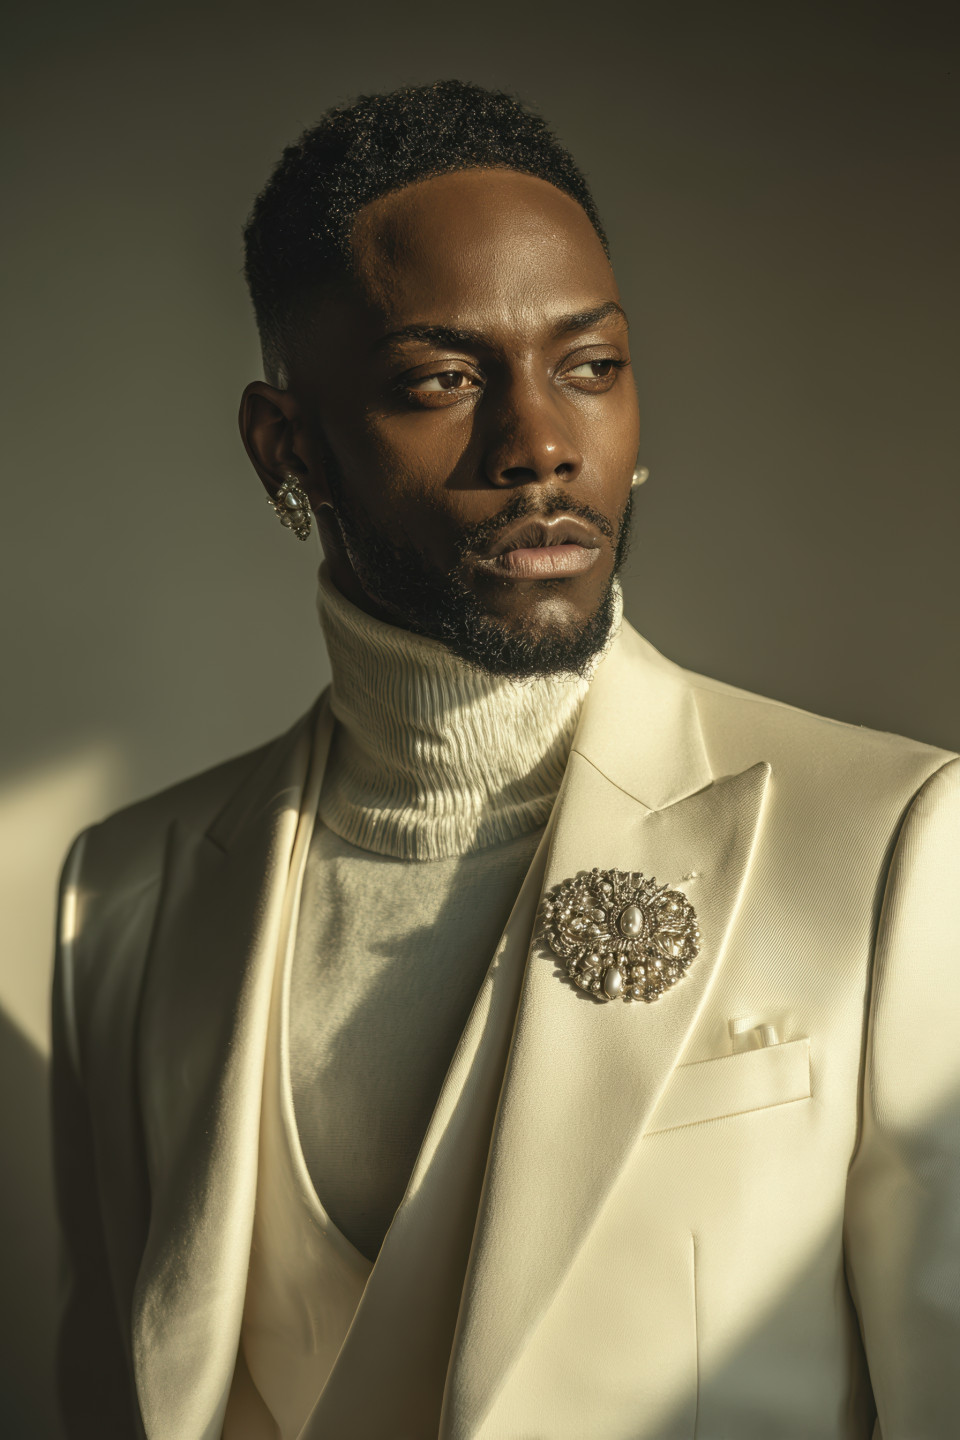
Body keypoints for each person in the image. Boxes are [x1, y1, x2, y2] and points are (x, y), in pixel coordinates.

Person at [51, 80, 959, 1440]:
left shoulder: (894, 841)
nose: (542, 445)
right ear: (283, 446)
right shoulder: (121, 900)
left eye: (590, 366)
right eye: (441, 381)